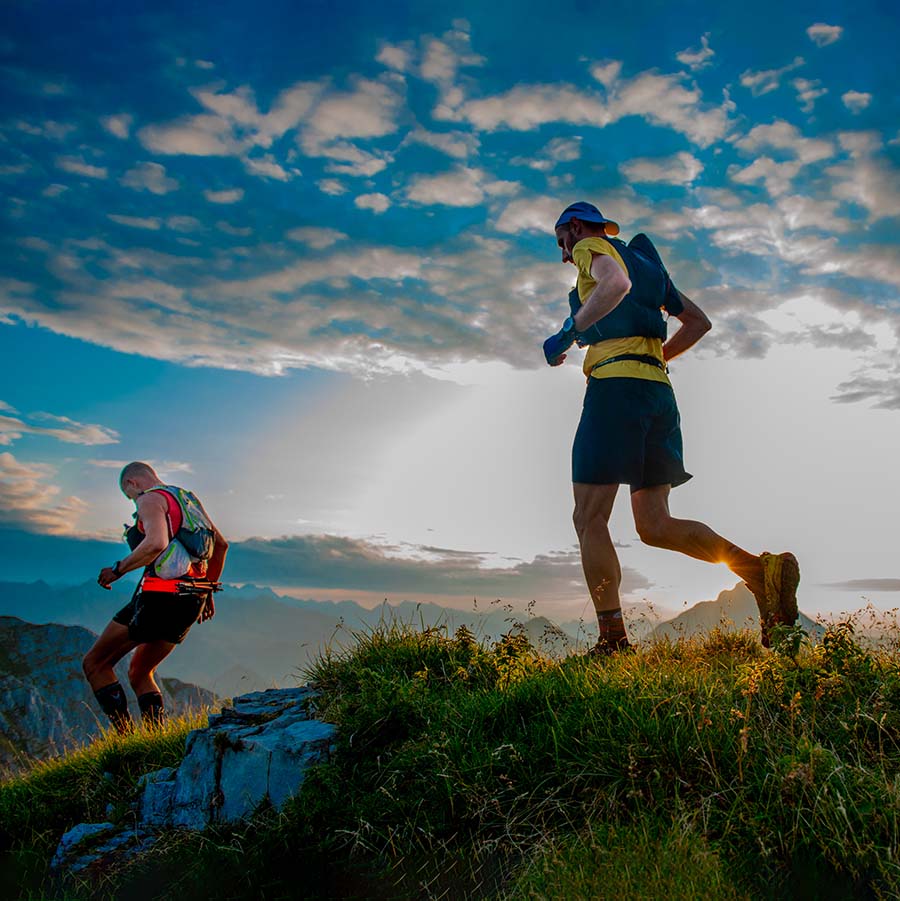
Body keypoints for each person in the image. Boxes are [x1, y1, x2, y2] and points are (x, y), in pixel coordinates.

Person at [543, 201, 799, 654]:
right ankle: (759, 572)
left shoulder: (592, 246)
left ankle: (613, 642)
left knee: (588, 517)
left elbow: (614, 284)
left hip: (615, 393)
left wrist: (569, 330)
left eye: (562, 241)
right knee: (656, 525)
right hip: (659, 397)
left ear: (576, 227)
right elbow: (699, 322)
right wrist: (655, 358)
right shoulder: (649, 267)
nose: (565, 254)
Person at [82, 462, 228, 731]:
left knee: (95, 663)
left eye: (131, 497)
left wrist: (118, 569)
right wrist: (206, 592)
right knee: (139, 672)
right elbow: (220, 546)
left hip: (159, 598)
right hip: (190, 602)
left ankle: (125, 740)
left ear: (132, 484)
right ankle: (153, 740)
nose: (135, 504)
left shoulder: (150, 499)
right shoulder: (188, 500)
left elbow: (156, 543)